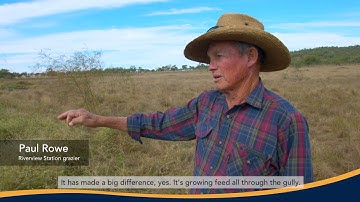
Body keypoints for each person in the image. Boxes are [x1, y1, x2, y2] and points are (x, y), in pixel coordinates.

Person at [58, 13, 314, 194]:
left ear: (250, 57)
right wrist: (98, 120)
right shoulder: (207, 104)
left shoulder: (286, 120)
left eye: (219, 56)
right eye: (208, 59)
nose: (210, 66)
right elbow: (160, 124)